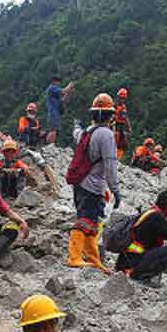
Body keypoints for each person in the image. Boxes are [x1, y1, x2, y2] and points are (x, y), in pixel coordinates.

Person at [66, 93, 120, 273]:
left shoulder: (88, 131)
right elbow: (110, 164)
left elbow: (77, 135)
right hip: (93, 184)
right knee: (85, 220)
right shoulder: (107, 135)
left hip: (80, 182)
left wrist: (75, 126)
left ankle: (92, 257)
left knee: (91, 222)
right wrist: (115, 190)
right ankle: (74, 257)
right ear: (110, 115)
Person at [114, 190, 167, 280]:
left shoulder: (150, 212)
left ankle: (137, 271)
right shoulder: (157, 217)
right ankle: (135, 274)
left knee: (163, 248)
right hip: (132, 262)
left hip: (125, 260)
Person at [43, 76, 74, 145]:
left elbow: (63, 100)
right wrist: (69, 86)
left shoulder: (56, 92)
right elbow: (63, 91)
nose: (59, 83)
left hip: (56, 113)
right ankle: (49, 146)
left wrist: (69, 93)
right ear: (54, 81)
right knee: (53, 130)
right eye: (58, 81)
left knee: (55, 131)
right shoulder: (52, 88)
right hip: (53, 113)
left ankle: (50, 145)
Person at [114, 87, 131, 161]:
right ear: (118, 97)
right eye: (121, 98)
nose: (122, 100)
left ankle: (117, 158)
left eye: (123, 98)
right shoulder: (114, 105)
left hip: (121, 125)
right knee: (115, 139)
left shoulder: (123, 107)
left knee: (123, 143)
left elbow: (125, 117)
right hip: (115, 124)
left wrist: (129, 126)